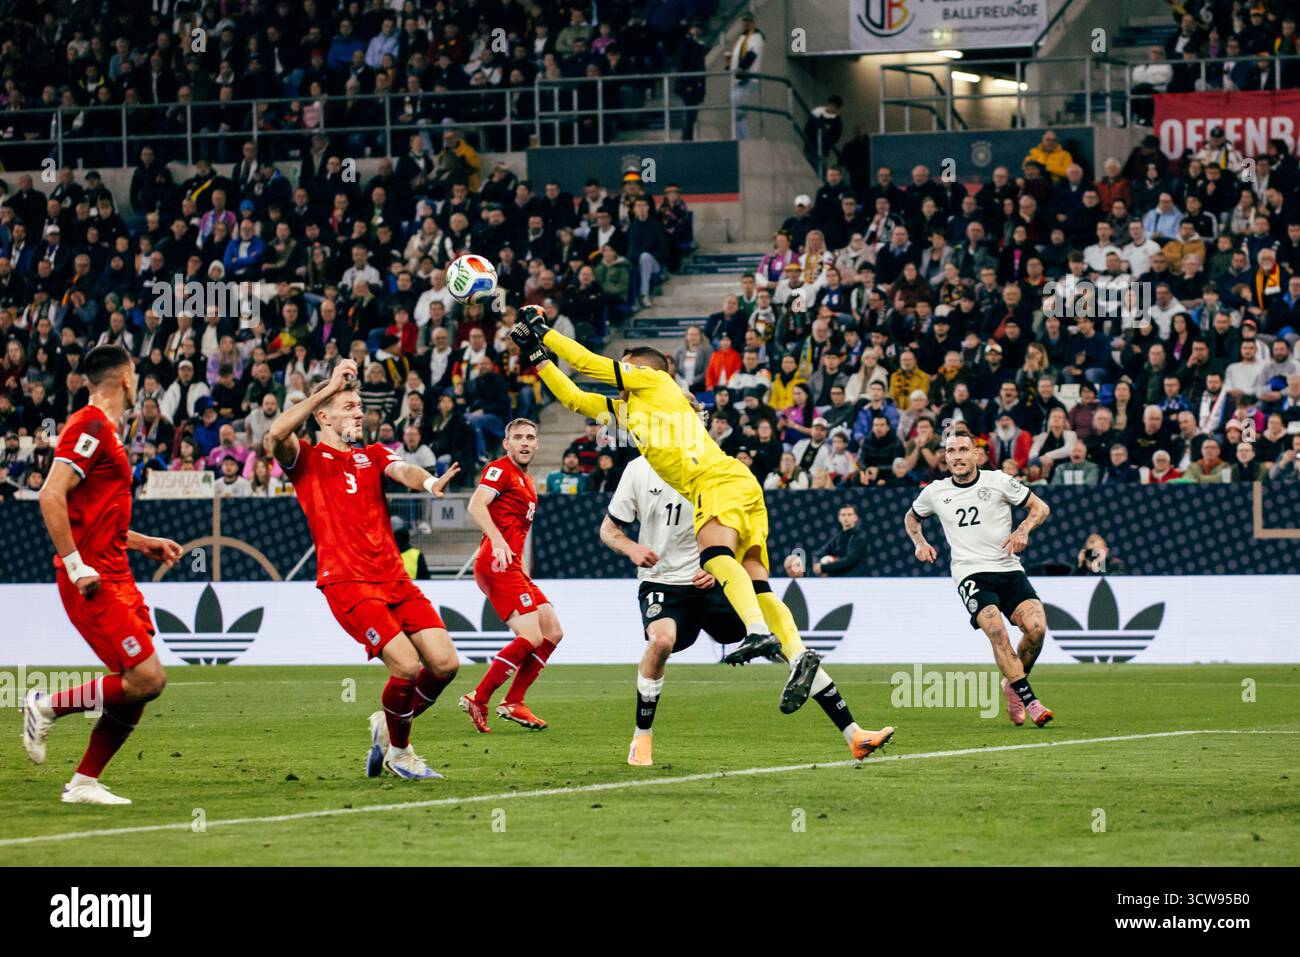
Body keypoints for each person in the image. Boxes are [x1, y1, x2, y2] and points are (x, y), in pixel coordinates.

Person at [512, 306, 894, 759]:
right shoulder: (629, 412)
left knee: (715, 558)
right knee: (758, 587)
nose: (623, 372)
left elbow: (589, 364)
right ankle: (850, 729)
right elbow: (575, 397)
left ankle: (757, 634)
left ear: (647, 371)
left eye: (629, 366)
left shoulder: (656, 384)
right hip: (734, 489)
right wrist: (536, 355)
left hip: (715, 484)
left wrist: (544, 330)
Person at [267, 358, 461, 781]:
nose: (360, 414)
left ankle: (386, 723)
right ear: (323, 416)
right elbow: (276, 434)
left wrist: (429, 483)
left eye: (360, 407)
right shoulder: (306, 459)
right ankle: (400, 753)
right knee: (406, 667)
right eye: (350, 407)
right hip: (348, 581)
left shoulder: (370, 455)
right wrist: (327, 388)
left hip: (394, 578)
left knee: (445, 664)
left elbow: (402, 469)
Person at [24, 345, 184, 805]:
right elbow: (51, 495)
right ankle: (45, 706)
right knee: (148, 679)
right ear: (127, 379)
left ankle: (83, 783)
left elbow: (93, 516)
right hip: (94, 580)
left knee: (136, 687)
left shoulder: (106, 431)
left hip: (117, 573)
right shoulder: (90, 426)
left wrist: (142, 541)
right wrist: (77, 566)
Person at [905, 423, 1055, 727]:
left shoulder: (998, 481)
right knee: (997, 631)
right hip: (971, 573)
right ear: (945, 457)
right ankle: (1031, 701)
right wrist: (919, 542)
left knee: (1037, 629)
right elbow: (911, 517)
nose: (957, 456)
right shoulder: (935, 492)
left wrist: (1022, 530)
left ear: (977, 454)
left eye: (963, 450)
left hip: (1008, 568)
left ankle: (1013, 683)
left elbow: (1040, 508)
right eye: (951, 451)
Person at [461, 418, 562, 733]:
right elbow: (476, 505)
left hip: (514, 566)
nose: (525, 442)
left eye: (530, 437)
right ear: (507, 443)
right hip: (496, 562)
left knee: (552, 631)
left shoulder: (528, 482)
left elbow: (517, 532)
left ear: (537, 444)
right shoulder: (500, 469)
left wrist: (523, 570)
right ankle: (479, 697)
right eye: (518, 437)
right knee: (531, 636)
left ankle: (514, 701)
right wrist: (498, 540)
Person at [813, 505, 867, 576]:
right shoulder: (837, 538)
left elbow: (850, 560)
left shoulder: (859, 537)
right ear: (839, 518)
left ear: (855, 518)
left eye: (849, 514)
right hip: (837, 579)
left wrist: (824, 568)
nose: (846, 517)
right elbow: (818, 554)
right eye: (843, 515)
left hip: (855, 579)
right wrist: (817, 565)